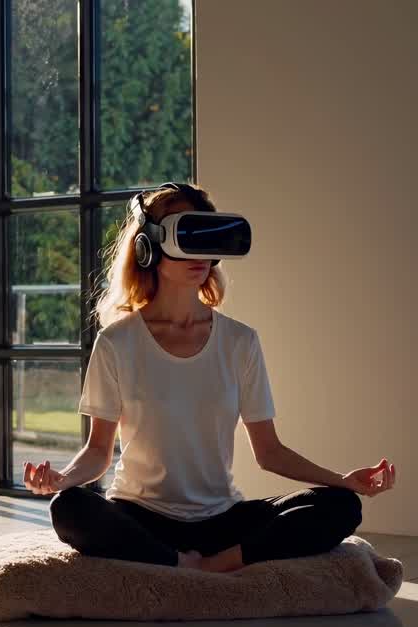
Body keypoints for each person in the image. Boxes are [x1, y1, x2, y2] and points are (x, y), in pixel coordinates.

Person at [23, 182, 397, 573]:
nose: (198, 253)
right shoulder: (117, 342)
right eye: (185, 236)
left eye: (206, 237)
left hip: (221, 520)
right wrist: (62, 478)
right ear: (148, 247)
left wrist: (343, 480)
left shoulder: (240, 341)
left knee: (341, 506)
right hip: (140, 516)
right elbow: (99, 452)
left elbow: (269, 452)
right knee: (69, 507)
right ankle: (177, 561)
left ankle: (215, 564)